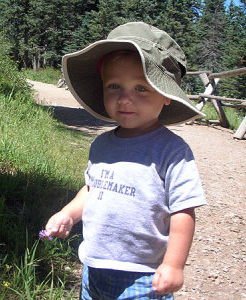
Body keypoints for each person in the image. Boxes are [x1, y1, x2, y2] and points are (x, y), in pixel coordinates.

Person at [45, 22, 207, 299]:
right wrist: (68, 214)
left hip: (144, 275)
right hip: (94, 266)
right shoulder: (102, 144)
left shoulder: (172, 150)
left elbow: (183, 212)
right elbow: (92, 189)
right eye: (115, 86)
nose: (125, 99)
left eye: (142, 88)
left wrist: (173, 264)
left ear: (166, 96)